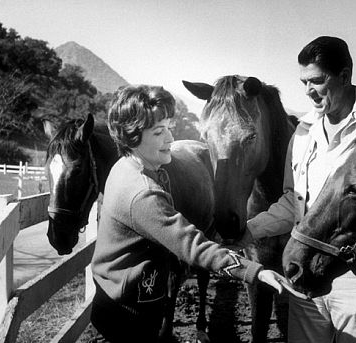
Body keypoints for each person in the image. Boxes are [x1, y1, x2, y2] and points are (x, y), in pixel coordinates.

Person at [238, 36, 356, 343]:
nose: (308, 91)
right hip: (308, 272)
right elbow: (294, 202)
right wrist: (249, 229)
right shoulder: (303, 133)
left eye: (317, 81)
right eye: (304, 82)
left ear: (344, 76)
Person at [90, 84, 286, 342]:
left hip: (127, 299)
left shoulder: (127, 167)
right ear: (132, 137)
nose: (171, 139)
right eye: (159, 132)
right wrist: (255, 272)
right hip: (129, 314)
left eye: (169, 128)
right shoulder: (142, 193)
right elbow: (191, 246)